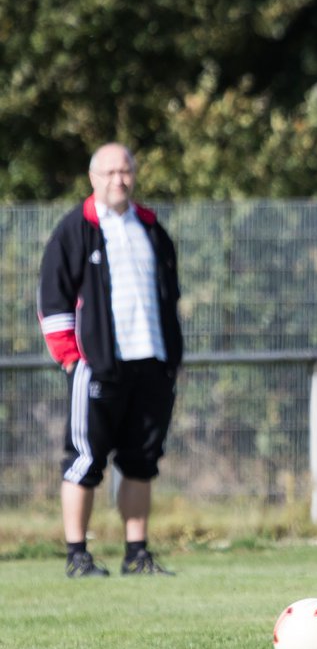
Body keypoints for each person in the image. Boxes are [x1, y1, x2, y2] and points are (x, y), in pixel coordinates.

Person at [37, 143, 184, 578]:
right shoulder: (75, 230)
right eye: (110, 172)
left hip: (151, 364)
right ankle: (77, 554)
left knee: (141, 461)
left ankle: (136, 553)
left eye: (126, 171)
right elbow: (53, 298)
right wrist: (70, 359)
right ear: (93, 177)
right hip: (98, 367)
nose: (119, 179)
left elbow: (169, 297)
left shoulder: (151, 228)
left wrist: (171, 356)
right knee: (85, 460)